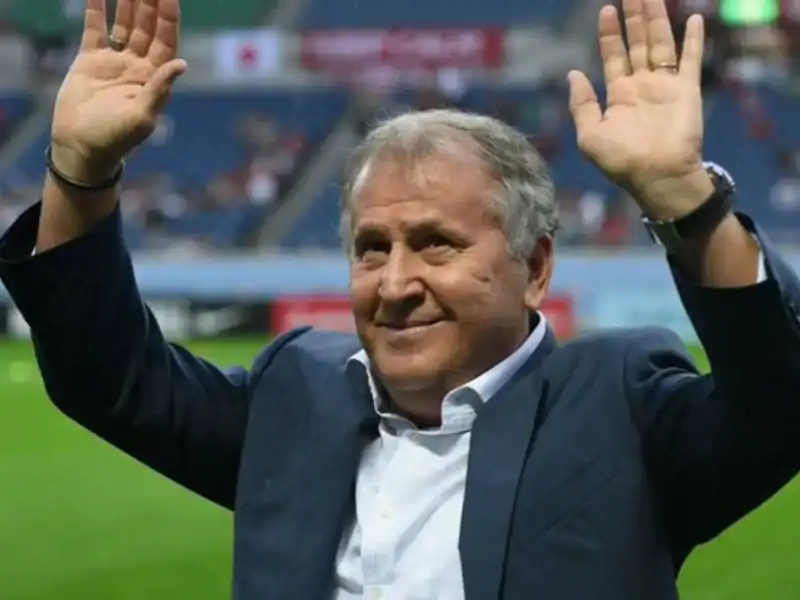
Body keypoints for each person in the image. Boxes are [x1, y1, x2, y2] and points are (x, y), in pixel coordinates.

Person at [1, 0, 798, 598]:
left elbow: (781, 403)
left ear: (535, 266)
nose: (394, 283)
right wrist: (81, 171)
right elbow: (109, 377)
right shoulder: (295, 398)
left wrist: (686, 201)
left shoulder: (621, 409)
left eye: (436, 244)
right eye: (371, 248)